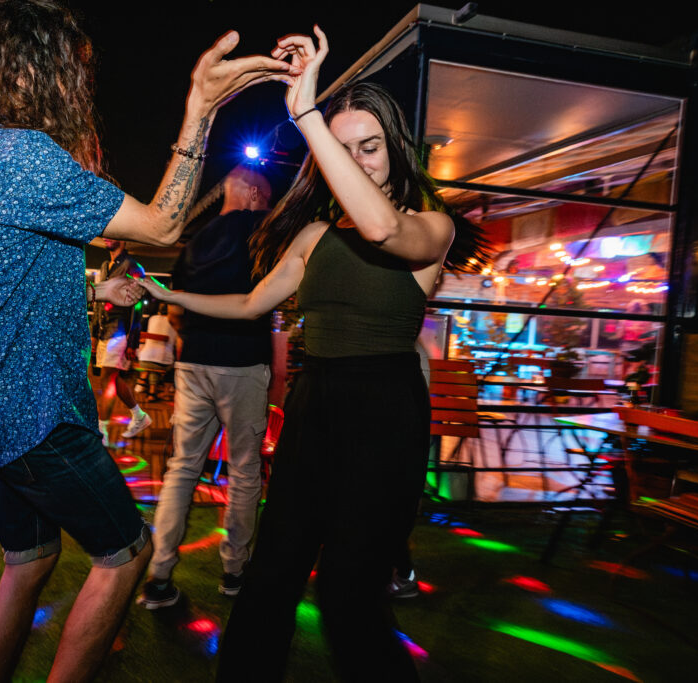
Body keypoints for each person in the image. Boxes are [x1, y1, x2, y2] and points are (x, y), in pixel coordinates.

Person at [0, 2, 294, 681]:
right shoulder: (20, 154)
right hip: (34, 411)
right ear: (30, 69)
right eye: (66, 67)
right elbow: (164, 225)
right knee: (125, 553)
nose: (76, 84)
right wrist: (201, 109)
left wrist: (94, 292)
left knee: (30, 561)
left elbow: (5, 271)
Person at [139, 27, 483, 681]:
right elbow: (250, 304)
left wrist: (307, 113)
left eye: (369, 147)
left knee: (348, 595)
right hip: (313, 401)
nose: (357, 162)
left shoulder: (429, 226)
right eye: (342, 150)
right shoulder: (317, 234)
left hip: (384, 408)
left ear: (396, 149)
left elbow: (381, 226)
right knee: (271, 575)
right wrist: (166, 292)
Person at [138, 164, 274, 609]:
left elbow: (176, 312)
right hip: (243, 362)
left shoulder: (195, 240)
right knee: (244, 471)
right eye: (266, 197)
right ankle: (235, 571)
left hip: (193, 361)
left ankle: (159, 576)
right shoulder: (263, 231)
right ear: (253, 194)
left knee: (182, 467)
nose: (268, 205)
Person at [91, 238, 150, 443]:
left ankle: (102, 432)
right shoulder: (104, 266)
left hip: (120, 331)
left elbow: (138, 307)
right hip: (104, 330)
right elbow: (98, 301)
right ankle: (139, 416)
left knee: (107, 379)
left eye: (113, 234)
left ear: (123, 238)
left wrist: (133, 341)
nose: (106, 237)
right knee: (112, 379)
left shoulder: (133, 267)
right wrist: (94, 332)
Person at [134, 302, 177, 401]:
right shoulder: (174, 322)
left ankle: (151, 392)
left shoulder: (152, 319)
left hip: (144, 360)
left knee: (154, 366)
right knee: (171, 364)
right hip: (163, 362)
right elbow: (175, 342)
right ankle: (167, 391)